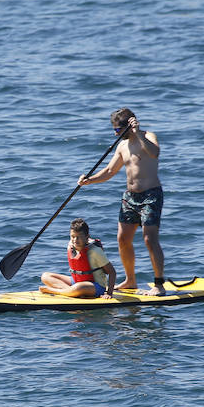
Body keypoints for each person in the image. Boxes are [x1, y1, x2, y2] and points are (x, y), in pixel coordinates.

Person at [78, 107, 168, 297]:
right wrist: (89, 180)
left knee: (149, 239)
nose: (116, 134)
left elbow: (155, 153)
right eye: (114, 130)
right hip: (130, 197)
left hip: (151, 196)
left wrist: (138, 134)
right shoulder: (121, 146)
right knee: (122, 239)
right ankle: (130, 280)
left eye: (119, 130)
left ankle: (159, 284)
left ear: (130, 125)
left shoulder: (148, 137)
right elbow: (110, 171)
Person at [40, 218, 115, 298]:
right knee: (45, 276)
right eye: (72, 236)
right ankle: (71, 291)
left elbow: (112, 272)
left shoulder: (95, 251)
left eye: (79, 237)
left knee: (79, 287)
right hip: (77, 282)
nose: (75, 240)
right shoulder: (71, 246)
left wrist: (109, 293)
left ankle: (55, 291)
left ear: (87, 237)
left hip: (96, 286)